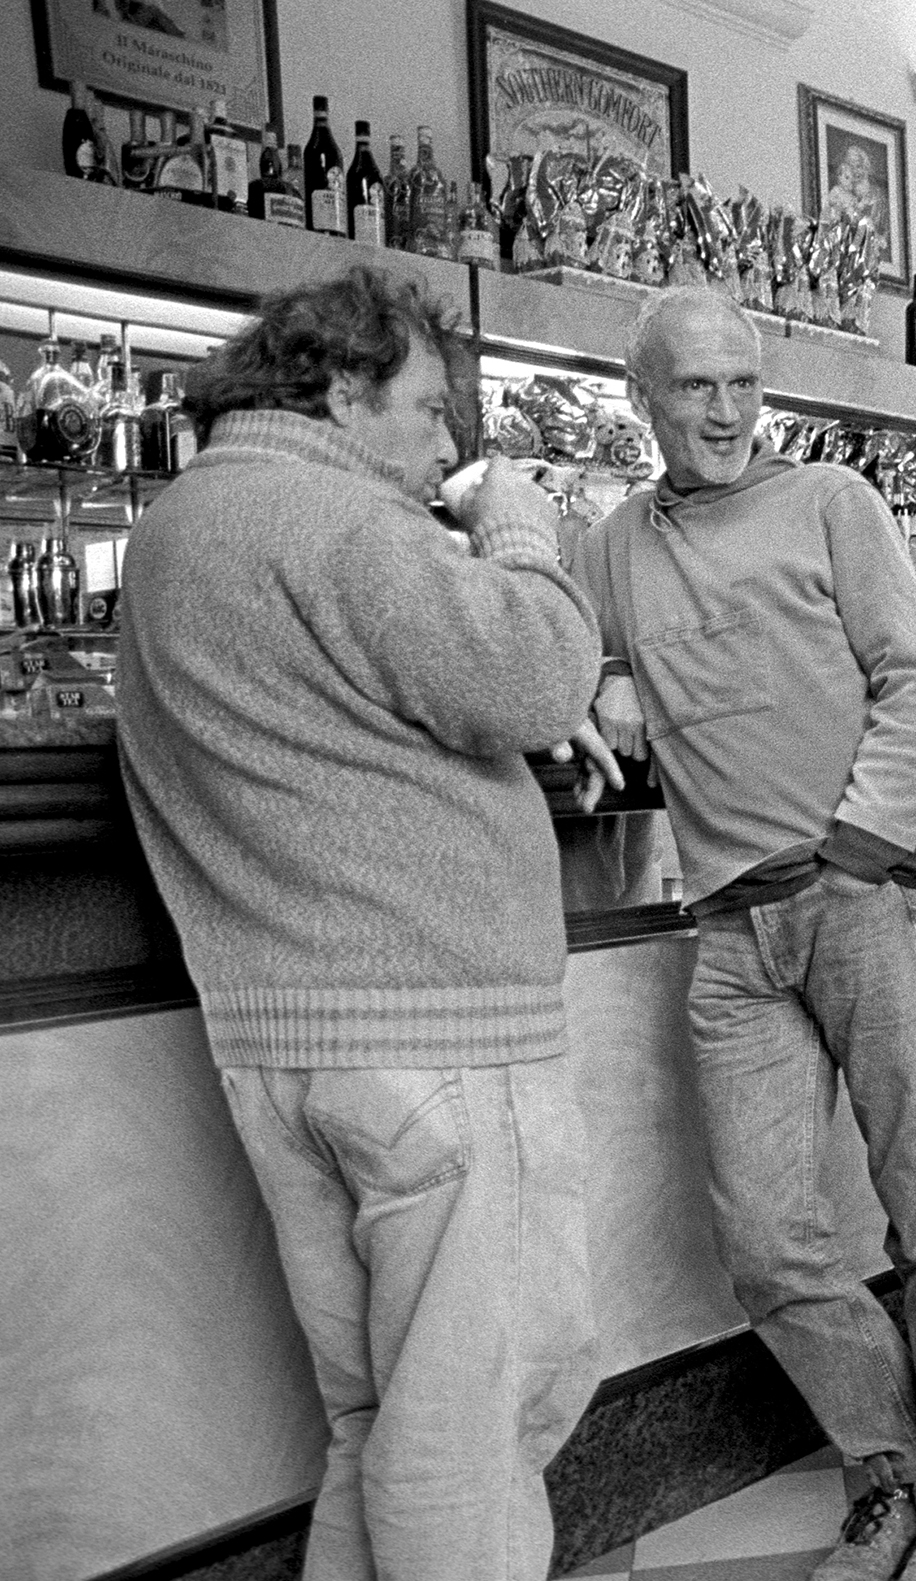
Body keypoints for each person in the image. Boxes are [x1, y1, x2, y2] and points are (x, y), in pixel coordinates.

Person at [115, 265, 619, 1579]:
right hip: (438, 1039)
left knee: (376, 1424)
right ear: (343, 386)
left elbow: (350, 711)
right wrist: (518, 533)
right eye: (431, 410)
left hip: (281, 1044)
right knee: (478, 1431)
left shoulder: (181, 526)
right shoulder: (343, 519)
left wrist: (506, 699)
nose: (448, 449)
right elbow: (538, 668)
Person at [572, 287, 916, 1581]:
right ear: (641, 397)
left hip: (866, 899)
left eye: (742, 385)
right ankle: (895, 1466)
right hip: (730, 932)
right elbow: (567, 654)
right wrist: (604, 678)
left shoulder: (833, 502)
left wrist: (858, 847)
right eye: (694, 387)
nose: (723, 413)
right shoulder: (617, 542)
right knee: (766, 1241)